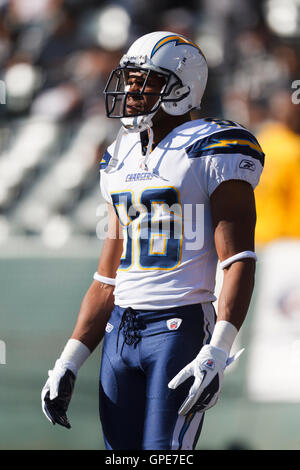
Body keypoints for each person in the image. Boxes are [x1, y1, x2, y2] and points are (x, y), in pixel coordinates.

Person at [41, 31, 264, 450]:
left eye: (145, 80)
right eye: (128, 79)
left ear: (181, 87)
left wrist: (218, 348)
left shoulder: (213, 147)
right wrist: (70, 359)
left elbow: (238, 259)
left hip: (179, 325)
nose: (131, 90)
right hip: (119, 329)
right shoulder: (119, 156)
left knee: (165, 456)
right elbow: (107, 276)